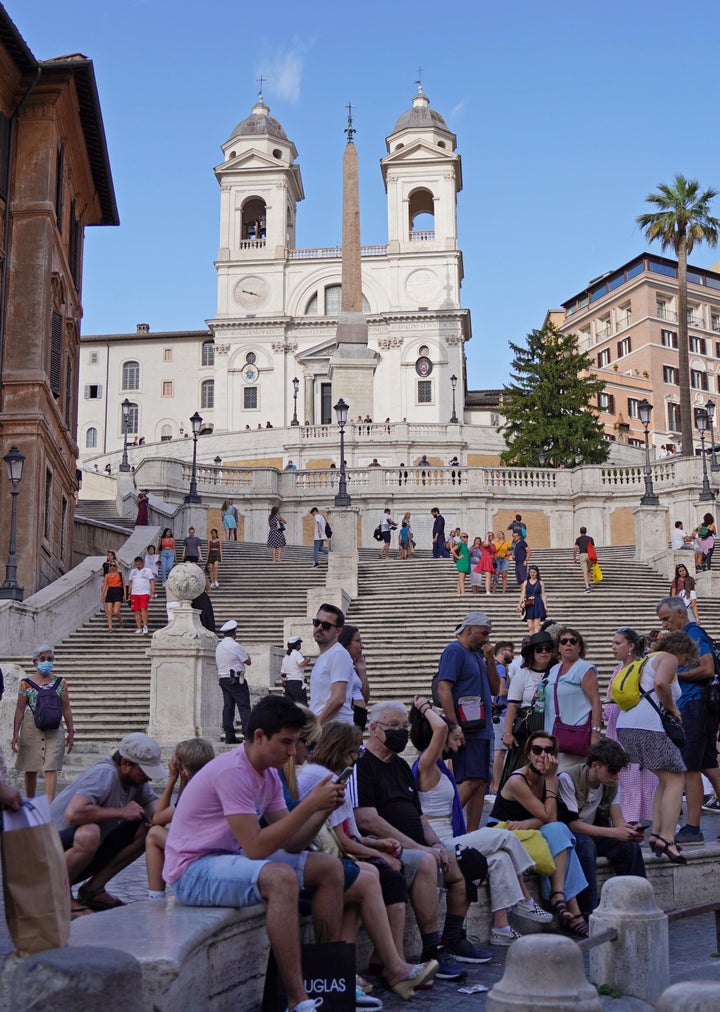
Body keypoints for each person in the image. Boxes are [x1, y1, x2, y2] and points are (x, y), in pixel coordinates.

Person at [163, 696, 348, 1012]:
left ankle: (329, 980)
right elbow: (257, 847)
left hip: (227, 860)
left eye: (295, 743)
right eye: (286, 742)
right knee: (281, 878)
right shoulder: (233, 771)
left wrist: (322, 809)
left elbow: (291, 842)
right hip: (192, 870)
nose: (292, 751)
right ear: (259, 736)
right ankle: (296, 999)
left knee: (329, 869)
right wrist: (308, 805)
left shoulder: (269, 773)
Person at [290, 719, 438, 1000]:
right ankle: (386, 967)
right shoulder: (322, 778)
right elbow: (342, 840)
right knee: (375, 878)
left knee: (373, 877)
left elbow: (348, 835)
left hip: (329, 856)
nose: (357, 758)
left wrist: (379, 845)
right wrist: (378, 851)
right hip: (317, 859)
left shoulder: (333, 776)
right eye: (353, 753)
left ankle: (377, 965)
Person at [351, 700, 485, 975]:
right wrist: (420, 847)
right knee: (425, 861)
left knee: (465, 865)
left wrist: (435, 843)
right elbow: (367, 819)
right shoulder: (361, 764)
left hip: (415, 844)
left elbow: (418, 815)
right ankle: (431, 947)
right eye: (394, 726)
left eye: (404, 726)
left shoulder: (400, 766)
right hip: (383, 846)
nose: (401, 731)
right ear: (374, 729)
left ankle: (453, 938)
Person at [410, 696, 552, 946]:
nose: (458, 744)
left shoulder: (441, 767)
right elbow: (441, 727)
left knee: (499, 858)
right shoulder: (425, 764)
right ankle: (526, 900)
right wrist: (424, 707)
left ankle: (501, 928)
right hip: (440, 844)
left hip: (451, 839)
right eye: (454, 739)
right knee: (505, 836)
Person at [487, 731, 589, 938]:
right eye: (537, 750)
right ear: (528, 754)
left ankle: (558, 893)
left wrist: (530, 822)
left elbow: (552, 818)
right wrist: (551, 781)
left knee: (561, 832)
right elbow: (549, 816)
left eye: (548, 750)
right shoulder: (518, 780)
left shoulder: (552, 778)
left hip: (531, 832)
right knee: (559, 832)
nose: (542, 754)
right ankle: (573, 910)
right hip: (506, 833)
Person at [50, 733, 164, 915]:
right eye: (145, 772)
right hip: (48, 853)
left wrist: (161, 815)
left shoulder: (135, 781)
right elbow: (73, 814)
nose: (149, 778)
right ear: (126, 764)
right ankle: (59, 897)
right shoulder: (105, 773)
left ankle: (93, 890)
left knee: (148, 831)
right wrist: (121, 813)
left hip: (79, 852)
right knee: (90, 832)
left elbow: (151, 805)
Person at [616, 629, 693, 863]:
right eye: (687, 659)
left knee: (665, 779)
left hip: (627, 726)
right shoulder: (667, 658)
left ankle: (657, 834)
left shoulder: (645, 659)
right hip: (648, 727)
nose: (684, 664)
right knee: (676, 779)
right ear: (681, 650)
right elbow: (660, 683)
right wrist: (673, 708)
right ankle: (668, 838)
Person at [556, 739, 647, 918]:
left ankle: (638, 900)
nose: (616, 776)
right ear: (595, 765)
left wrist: (630, 831)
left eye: (618, 771)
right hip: (570, 836)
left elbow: (618, 819)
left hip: (594, 832)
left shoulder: (611, 784)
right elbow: (573, 824)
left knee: (629, 846)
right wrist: (615, 832)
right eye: (612, 771)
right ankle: (589, 911)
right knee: (586, 847)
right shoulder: (568, 778)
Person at [656, 597, 720, 846]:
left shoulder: (693, 632)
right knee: (708, 766)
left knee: (690, 768)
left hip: (695, 706)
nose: (664, 624)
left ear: (681, 613)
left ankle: (693, 828)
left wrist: (675, 675)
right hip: (700, 707)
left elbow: (707, 668)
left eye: (666, 619)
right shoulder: (687, 634)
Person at [435, 611, 499, 831]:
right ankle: (441, 822)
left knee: (480, 782)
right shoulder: (455, 651)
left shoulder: (476, 655)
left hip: (481, 727)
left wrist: (490, 659)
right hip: (467, 728)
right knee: (472, 780)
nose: (487, 639)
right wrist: (454, 727)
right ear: (469, 630)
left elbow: (496, 689)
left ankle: (471, 832)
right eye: (484, 633)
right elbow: (444, 688)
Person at [146, 738, 215, 898]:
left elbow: (158, 819)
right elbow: (180, 808)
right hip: (212, 847)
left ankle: (155, 897)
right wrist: (184, 780)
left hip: (200, 853)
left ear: (182, 770)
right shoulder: (211, 781)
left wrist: (172, 778)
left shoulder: (197, 791)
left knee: (154, 833)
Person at [604, 628, 658, 824]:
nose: (613, 647)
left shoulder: (642, 668)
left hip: (635, 732)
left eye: (618, 643)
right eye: (613, 643)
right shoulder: (617, 670)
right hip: (618, 731)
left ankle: (636, 819)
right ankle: (629, 820)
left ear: (631, 646)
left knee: (635, 776)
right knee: (627, 777)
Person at [11, 644, 74, 803]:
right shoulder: (25, 684)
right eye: (43, 659)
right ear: (35, 662)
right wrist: (15, 734)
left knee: (51, 767)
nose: (47, 662)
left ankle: (49, 806)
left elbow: (66, 708)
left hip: (54, 728)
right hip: (31, 728)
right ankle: (31, 803)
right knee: (30, 768)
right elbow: (19, 709)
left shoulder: (61, 682)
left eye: (50, 659)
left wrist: (71, 732)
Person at [543, 628, 602, 771]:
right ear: (558, 647)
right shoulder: (554, 670)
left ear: (579, 646)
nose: (568, 644)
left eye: (573, 641)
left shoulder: (584, 668)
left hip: (576, 734)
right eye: (563, 641)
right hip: (553, 734)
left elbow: (596, 701)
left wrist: (595, 732)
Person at [502, 631, 555, 786]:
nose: (544, 652)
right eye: (539, 649)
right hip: (527, 729)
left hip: (550, 725)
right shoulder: (522, 674)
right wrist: (507, 733)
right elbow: (512, 705)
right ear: (532, 652)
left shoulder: (558, 673)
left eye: (548, 649)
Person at [309, 603, 354, 724]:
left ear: (338, 631)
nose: (319, 627)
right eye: (316, 622)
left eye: (326, 625)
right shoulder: (325, 656)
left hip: (335, 732)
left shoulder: (338, 653)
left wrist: (316, 725)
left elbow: (338, 698)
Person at [216, 619, 251, 743]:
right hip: (235, 678)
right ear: (234, 633)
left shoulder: (219, 646)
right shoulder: (235, 646)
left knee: (228, 707)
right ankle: (247, 734)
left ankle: (229, 735)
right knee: (244, 706)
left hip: (223, 678)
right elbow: (248, 661)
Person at [489, 642, 515, 795]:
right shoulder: (500, 668)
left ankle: (494, 784)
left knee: (499, 750)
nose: (512, 654)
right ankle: (496, 786)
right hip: (501, 713)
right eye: (510, 651)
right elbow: (501, 691)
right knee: (500, 750)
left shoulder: (495, 667)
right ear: (501, 651)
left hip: (497, 713)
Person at [338, 624, 370, 730]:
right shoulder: (338, 665)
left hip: (358, 717)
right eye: (358, 641)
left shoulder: (352, 666)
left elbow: (364, 698)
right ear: (345, 643)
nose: (362, 646)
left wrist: (362, 670)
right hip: (347, 720)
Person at [125, 555, 155, 635]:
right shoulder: (133, 572)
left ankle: (145, 626)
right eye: (136, 564)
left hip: (144, 593)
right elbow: (130, 582)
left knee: (143, 609)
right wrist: (129, 593)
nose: (137, 566)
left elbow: (152, 581)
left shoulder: (147, 570)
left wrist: (152, 592)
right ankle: (139, 628)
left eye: (139, 564)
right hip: (134, 593)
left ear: (142, 563)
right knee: (136, 611)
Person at [518, 565, 548, 634]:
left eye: (534, 572)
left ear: (537, 573)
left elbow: (543, 594)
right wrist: (519, 605)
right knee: (530, 627)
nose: (532, 574)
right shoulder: (525, 582)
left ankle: (536, 642)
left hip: (537, 603)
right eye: (531, 572)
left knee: (536, 627)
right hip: (528, 603)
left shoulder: (541, 582)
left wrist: (545, 606)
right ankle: (532, 641)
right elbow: (523, 594)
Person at [281, 635, 308, 705]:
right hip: (297, 683)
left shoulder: (286, 657)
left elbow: (282, 674)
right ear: (297, 645)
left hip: (288, 684)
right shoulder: (297, 654)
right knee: (302, 706)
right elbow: (301, 664)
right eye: (299, 644)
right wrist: (307, 660)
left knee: (290, 707)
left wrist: (284, 688)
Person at [101, 557, 125, 631]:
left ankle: (120, 619)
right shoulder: (107, 575)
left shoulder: (120, 574)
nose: (112, 567)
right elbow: (105, 585)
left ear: (116, 566)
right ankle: (110, 628)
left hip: (118, 591)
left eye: (114, 565)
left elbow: (124, 585)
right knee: (109, 611)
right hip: (110, 591)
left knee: (116, 611)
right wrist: (102, 596)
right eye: (111, 565)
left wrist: (125, 595)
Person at [573, 527, 595, 593]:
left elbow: (575, 549)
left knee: (584, 571)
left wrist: (574, 558)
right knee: (589, 570)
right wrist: (595, 558)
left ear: (580, 532)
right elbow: (593, 548)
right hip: (590, 555)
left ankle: (587, 587)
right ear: (586, 531)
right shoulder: (590, 538)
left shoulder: (578, 539)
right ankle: (588, 583)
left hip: (582, 555)